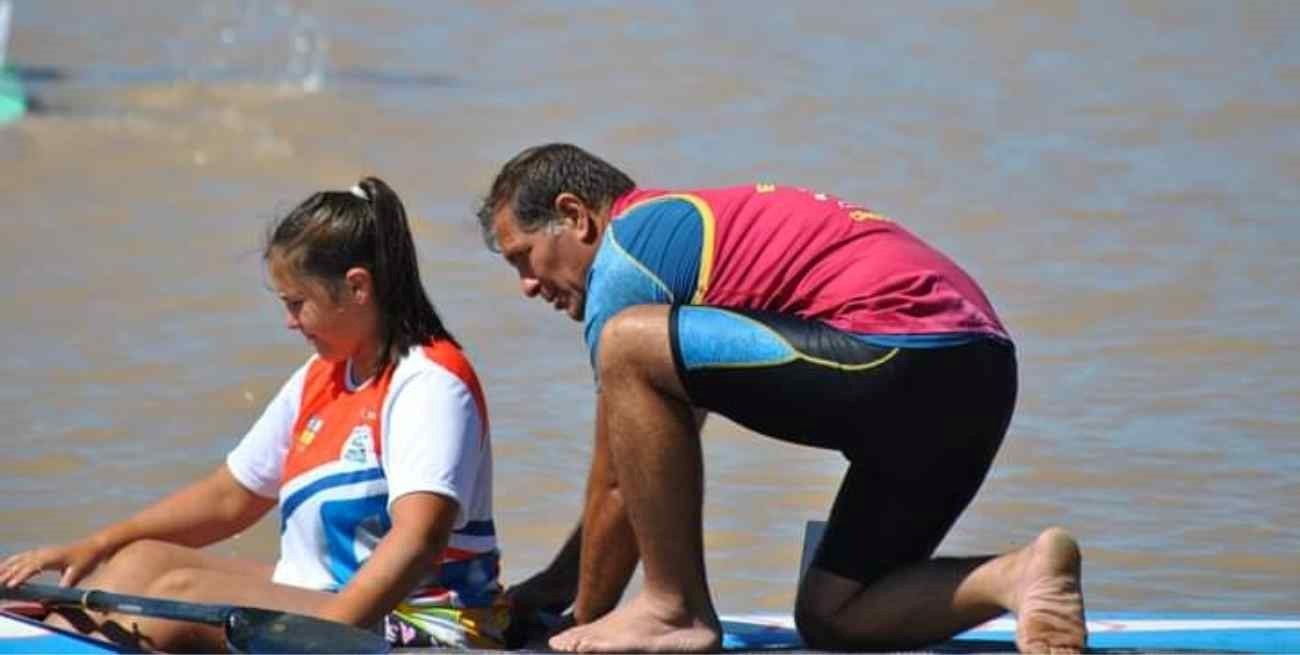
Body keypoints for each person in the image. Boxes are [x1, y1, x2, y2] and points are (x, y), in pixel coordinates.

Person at [476, 144, 1088, 654]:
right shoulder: (686, 256)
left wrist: (578, 623)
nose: (527, 285)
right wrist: (556, 585)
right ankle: (1020, 574)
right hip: (982, 372)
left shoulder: (627, 253)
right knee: (835, 614)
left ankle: (672, 610)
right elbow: (643, 471)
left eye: (523, 257)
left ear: (576, 216)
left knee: (625, 343)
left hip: (902, 349)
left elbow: (615, 480)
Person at [0, 177, 509, 651]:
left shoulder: (429, 382)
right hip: (329, 598)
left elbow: (419, 540)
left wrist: (319, 641)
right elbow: (231, 497)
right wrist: (95, 545)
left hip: (427, 621)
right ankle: (42, 640)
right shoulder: (321, 376)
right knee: (140, 559)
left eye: (297, 303)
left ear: (358, 287)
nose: (289, 322)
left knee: (180, 595)